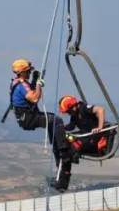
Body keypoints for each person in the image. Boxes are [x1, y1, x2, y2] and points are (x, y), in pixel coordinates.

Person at [8, 58, 73, 192]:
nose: (29, 74)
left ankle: (57, 147)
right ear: (22, 72)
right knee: (57, 121)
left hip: (26, 117)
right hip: (29, 118)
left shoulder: (17, 83)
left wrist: (35, 81)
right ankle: (62, 150)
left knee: (53, 120)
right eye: (28, 72)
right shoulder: (21, 85)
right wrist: (38, 84)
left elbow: (29, 94)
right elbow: (35, 98)